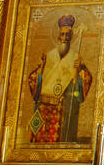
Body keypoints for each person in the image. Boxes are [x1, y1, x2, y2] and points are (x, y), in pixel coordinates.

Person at [27, 14, 94, 143]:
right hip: (43, 107)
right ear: (58, 36)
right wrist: (40, 71)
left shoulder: (75, 57)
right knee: (39, 138)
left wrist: (79, 72)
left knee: (60, 138)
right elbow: (33, 78)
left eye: (68, 35)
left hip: (64, 106)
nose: (65, 38)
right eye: (62, 34)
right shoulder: (49, 55)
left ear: (71, 36)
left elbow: (86, 79)